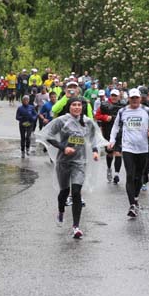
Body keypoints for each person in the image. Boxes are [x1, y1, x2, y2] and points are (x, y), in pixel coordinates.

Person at [40, 98, 103, 238]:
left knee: (76, 192)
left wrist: (94, 151)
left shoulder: (87, 122)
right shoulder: (61, 121)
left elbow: (93, 138)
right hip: (63, 161)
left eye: (79, 105)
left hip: (80, 162)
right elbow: (47, 135)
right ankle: (61, 210)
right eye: (73, 105)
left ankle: (76, 226)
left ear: (82, 107)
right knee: (64, 191)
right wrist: (63, 147)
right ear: (69, 107)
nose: (76, 107)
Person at [108, 88, 149, 218]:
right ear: (129, 99)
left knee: (139, 176)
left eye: (137, 98)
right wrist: (112, 141)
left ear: (140, 98)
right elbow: (115, 127)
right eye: (132, 98)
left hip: (143, 148)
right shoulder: (123, 111)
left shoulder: (146, 110)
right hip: (128, 148)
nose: (135, 100)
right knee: (130, 175)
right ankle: (132, 204)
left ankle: (136, 197)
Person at [95, 88, 126, 183]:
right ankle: (109, 169)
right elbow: (96, 116)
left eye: (115, 96)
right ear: (110, 96)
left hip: (119, 133)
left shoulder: (123, 105)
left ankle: (116, 174)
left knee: (118, 153)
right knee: (109, 153)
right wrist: (105, 117)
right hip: (107, 132)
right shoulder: (104, 105)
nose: (114, 97)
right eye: (112, 95)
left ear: (119, 96)